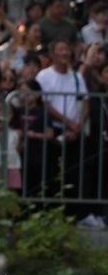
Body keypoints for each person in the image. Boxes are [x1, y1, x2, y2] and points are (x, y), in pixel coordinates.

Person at [36, 39, 96, 227]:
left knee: (77, 173)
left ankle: (81, 214)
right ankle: (53, 214)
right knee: (54, 173)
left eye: (67, 49)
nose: (65, 53)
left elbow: (85, 102)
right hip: (55, 130)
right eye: (60, 49)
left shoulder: (77, 77)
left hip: (75, 131)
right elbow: (45, 104)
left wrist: (78, 124)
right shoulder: (43, 76)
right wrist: (68, 122)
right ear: (52, 53)